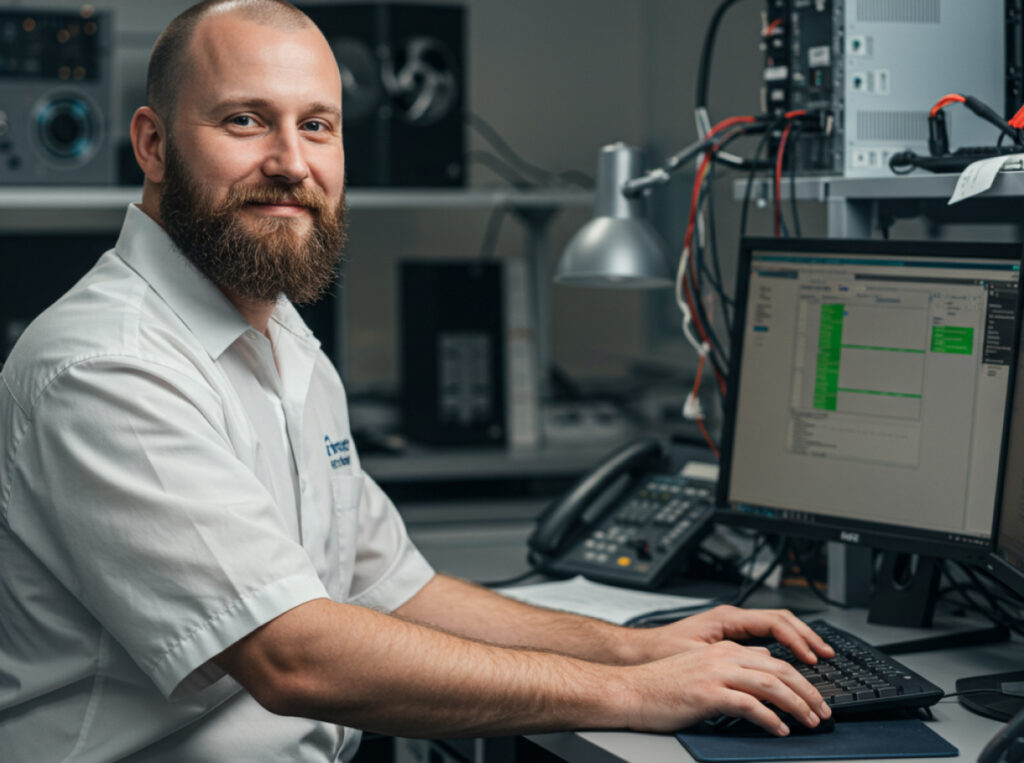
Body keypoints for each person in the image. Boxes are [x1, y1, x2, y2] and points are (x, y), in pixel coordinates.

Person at [0, 1, 833, 760]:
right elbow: (293, 654)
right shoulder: (107, 367)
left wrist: (641, 644)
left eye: (318, 125)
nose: (291, 162)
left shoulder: (282, 334)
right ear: (152, 144)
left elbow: (393, 590)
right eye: (245, 120)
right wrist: (631, 694)